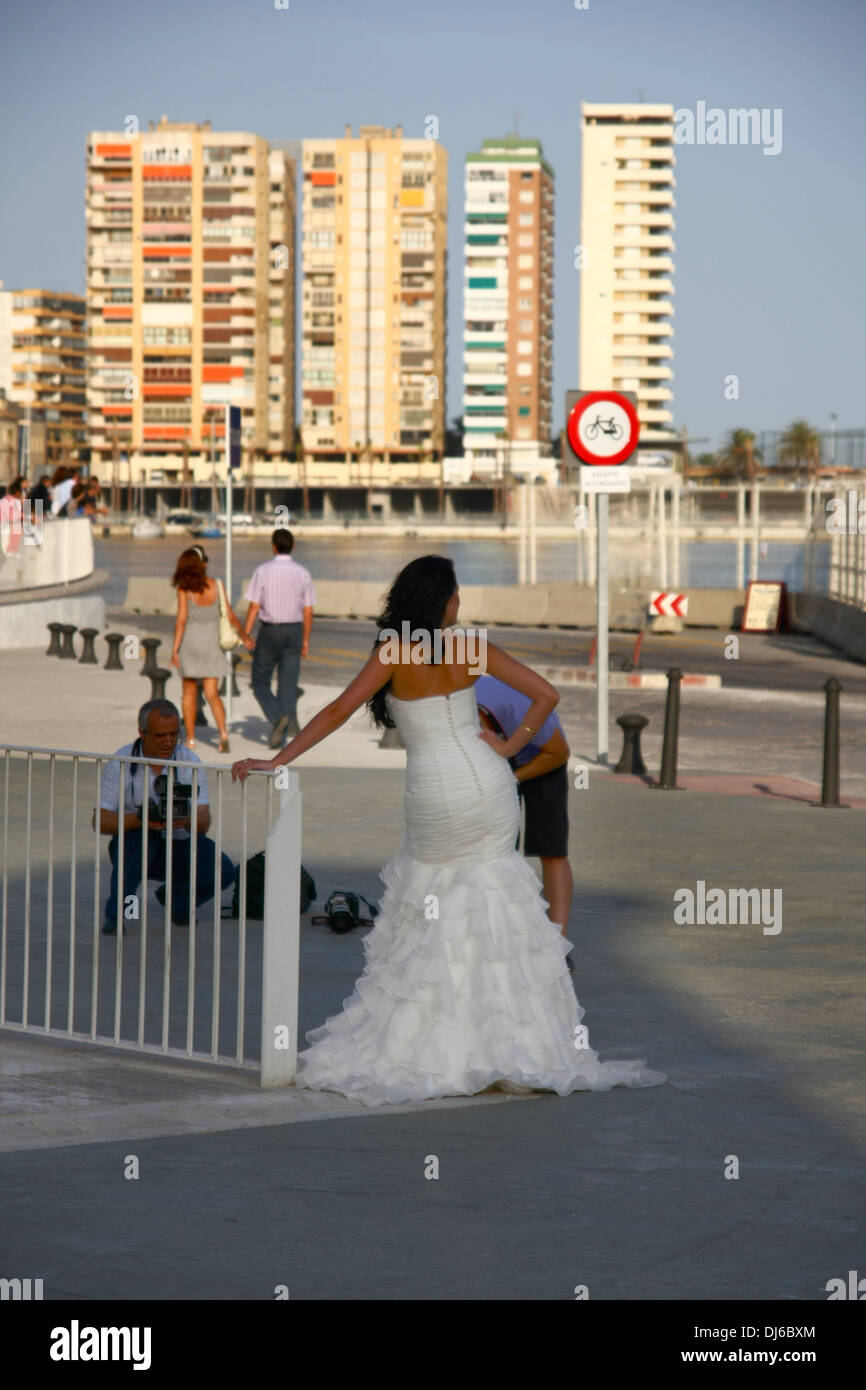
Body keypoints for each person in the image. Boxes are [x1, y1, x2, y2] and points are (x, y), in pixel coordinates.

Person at [232, 554, 665, 1108]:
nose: (461, 603)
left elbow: (338, 711)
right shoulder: (470, 648)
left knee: (436, 910)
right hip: (489, 788)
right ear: (443, 600)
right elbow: (547, 695)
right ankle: (516, 1045)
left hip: (437, 795)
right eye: (457, 594)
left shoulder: (392, 653)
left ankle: (439, 1047)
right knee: (496, 904)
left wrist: (279, 760)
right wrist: (510, 746)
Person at [98, 698, 235, 933]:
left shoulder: (190, 762)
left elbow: (204, 821)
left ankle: (178, 904)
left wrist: (186, 819)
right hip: (137, 843)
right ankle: (119, 914)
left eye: (174, 734)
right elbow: (100, 821)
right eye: (161, 735)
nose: (169, 741)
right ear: (142, 733)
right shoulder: (121, 762)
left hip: (180, 841)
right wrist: (140, 820)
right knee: (136, 843)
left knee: (223, 869)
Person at [474, 673, 574, 961]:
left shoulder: (514, 706)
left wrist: (513, 778)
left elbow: (559, 752)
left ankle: (557, 945)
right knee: (497, 851)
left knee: (551, 850)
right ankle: (496, 937)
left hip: (543, 760)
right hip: (498, 761)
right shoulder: (456, 712)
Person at [170, 546, 253, 754]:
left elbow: (181, 620)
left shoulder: (183, 589)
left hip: (190, 645)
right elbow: (231, 616)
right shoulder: (216, 585)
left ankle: (189, 740)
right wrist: (245, 637)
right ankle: (223, 735)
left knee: (188, 693)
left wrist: (175, 649)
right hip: (211, 647)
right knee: (212, 694)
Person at [243, 529, 316, 748]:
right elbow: (308, 610)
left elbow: (254, 606)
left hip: (269, 631)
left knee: (259, 682)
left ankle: (277, 719)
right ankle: (281, 742)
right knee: (287, 685)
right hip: (294, 631)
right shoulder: (302, 573)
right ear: (292, 547)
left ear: (273, 546)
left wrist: (245, 634)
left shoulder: (263, 571)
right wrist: (305, 640)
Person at [0, 476, 26, 556]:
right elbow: (13, 515)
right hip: (4, 525)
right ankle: (10, 550)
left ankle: (12, 549)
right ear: (17, 492)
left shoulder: (10, 499)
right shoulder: (10, 500)